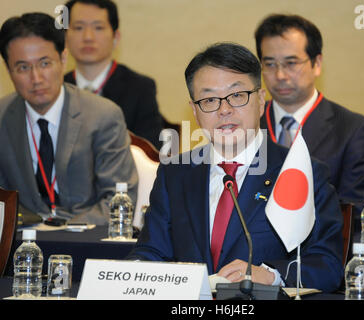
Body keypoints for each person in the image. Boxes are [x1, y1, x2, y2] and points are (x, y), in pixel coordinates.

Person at [127, 42, 344, 292]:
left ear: (261, 100)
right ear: (195, 112)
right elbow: (151, 251)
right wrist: (128, 274)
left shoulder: (300, 171)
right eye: (209, 100)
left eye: (237, 96)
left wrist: (271, 275)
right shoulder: (175, 173)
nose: (224, 110)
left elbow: (327, 266)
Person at [0, 12, 138, 225]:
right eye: (23, 67)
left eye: (45, 63)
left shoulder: (103, 116)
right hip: (21, 244)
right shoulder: (2, 117)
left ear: (63, 59)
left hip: (84, 239)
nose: (36, 78)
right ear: (9, 70)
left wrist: (64, 232)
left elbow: (118, 199)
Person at [255, 14, 364, 213]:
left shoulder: (353, 129)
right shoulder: (246, 124)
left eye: (291, 63)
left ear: (317, 63)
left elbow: (355, 213)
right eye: (269, 64)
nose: (280, 75)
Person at [64, 0, 164, 150]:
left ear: (115, 37)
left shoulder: (140, 88)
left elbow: (150, 152)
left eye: (98, 27)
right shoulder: (55, 88)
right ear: (65, 37)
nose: (88, 37)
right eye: (78, 27)